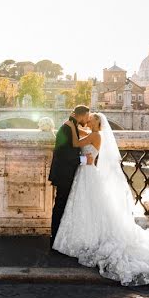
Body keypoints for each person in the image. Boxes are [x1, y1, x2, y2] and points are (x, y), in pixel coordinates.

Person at [52, 112, 149, 285]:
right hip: (84, 175)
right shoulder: (93, 134)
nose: (87, 122)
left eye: (90, 120)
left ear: (97, 123)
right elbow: (80, 136)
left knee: (86, 207)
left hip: (87, 172)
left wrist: (70, 126)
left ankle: (84, 238)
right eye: (86, 119)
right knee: (87, 208)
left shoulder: (95, 135)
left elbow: (77, 144)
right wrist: (65, 128)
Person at [48, 105, 94, 247]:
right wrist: (84, 160)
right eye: (87, 117)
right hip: (63, 173)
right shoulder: (67, 127)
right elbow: (63, 153)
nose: (87, 119)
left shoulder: (71, 125)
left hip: (66, 172)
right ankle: (55, 239)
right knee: (60, 205)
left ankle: (59, 238)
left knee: (63, 205)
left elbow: (74, 146)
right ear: (81, 115)